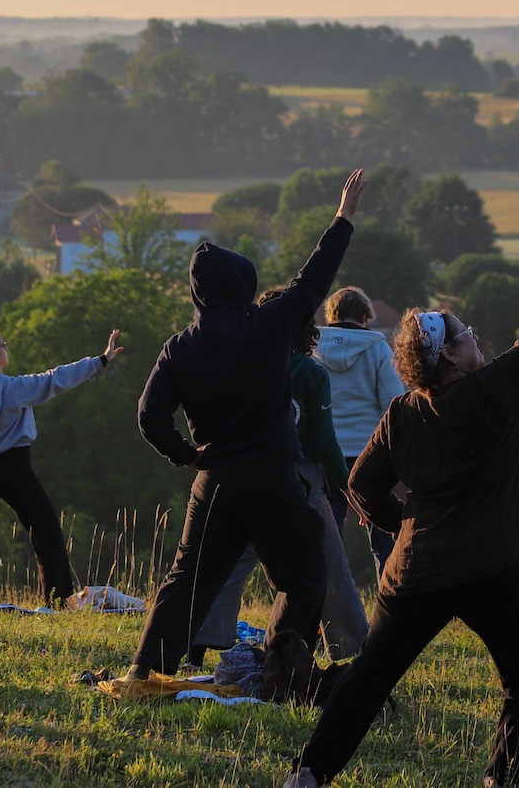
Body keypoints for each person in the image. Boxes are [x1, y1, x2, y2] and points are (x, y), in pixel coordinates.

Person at [283, 221, 519, 788]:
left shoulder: (403, 413)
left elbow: (361, 485)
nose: (476, 340)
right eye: (468, 335)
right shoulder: (495, 391)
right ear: (449, 354)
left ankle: (308, 775)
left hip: (414, 570)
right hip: (487, 568)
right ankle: (502, 779)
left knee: (370, 677)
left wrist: (403, 525)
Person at [125, 169, 366, 700]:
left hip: (215, 479)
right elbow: (313, 281)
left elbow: (149, 416)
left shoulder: (180, 347)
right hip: (275, 479)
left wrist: (187, 456)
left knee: (187, 579)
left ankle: (143, 673)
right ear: (244, 285)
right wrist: (341, 219)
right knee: (304, 579)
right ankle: (282, 678)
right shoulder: (269, 324)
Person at [189, 300, 368, 665]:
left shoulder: (240, 366)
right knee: (328, 564)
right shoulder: (311, 374)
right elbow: (324, 441)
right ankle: (352, 648)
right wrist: (349, 488)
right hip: (300, 477)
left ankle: (196, 643)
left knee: (227, 563)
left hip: (241, 473)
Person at [0, 323, 125, 608]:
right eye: (2, 345)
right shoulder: (12, 387)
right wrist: (100, 360)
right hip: (14, 466)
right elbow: (55, 379)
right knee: (45, 530)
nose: (6, 348)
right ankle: (58, 603)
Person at [313, 286, 404, 570]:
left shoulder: (313, 348)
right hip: (370, 453)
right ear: (365, 316)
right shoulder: (377, 348)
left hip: (326, 453)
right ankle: (389, 592)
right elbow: (393, 402)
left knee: (328, 536)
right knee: (384, 535)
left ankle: (332, 595)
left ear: (332, 315)